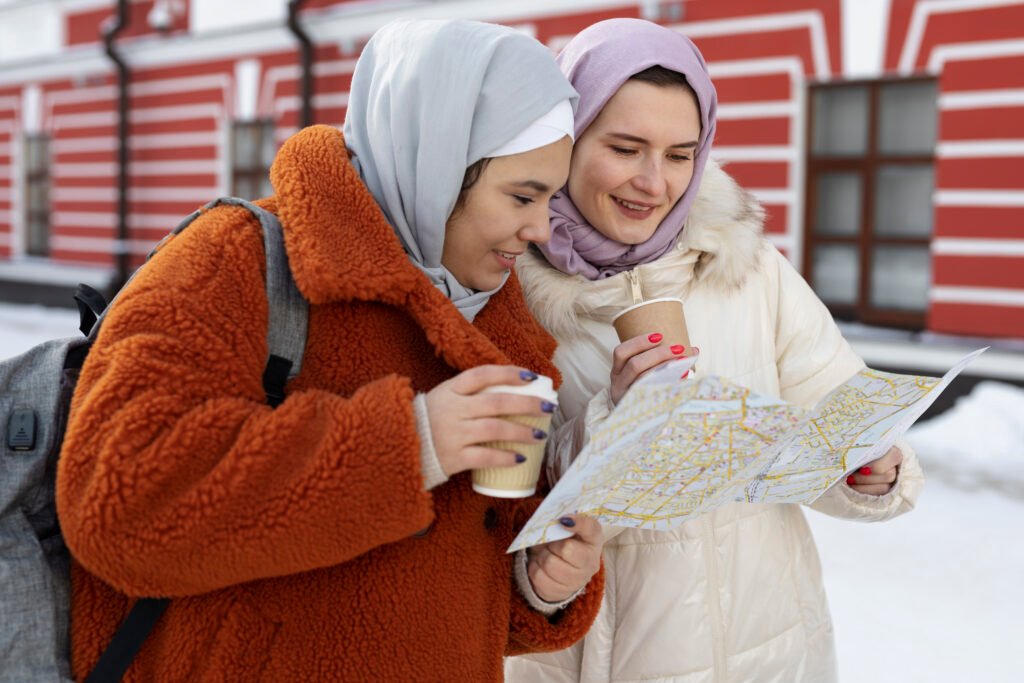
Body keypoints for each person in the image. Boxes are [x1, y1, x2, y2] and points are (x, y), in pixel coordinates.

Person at [57, 19, 606, 682]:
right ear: (436, 165)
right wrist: (407, 443)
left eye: (551, 198)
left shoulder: (499, 322)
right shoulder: (234, 259)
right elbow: (115, 504)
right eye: (522, 196)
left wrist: (538, 582)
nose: (541, 228)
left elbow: (451, 596)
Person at [505, 18, 924, 683]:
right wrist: (619, 421)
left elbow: (836, 411)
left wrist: (871, 468)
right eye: (626, 148)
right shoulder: (507, 291)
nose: (654, 182)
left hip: (775, 653)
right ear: (569, 138)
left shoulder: (749, 269)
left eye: (680, 154)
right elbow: (502, 515)